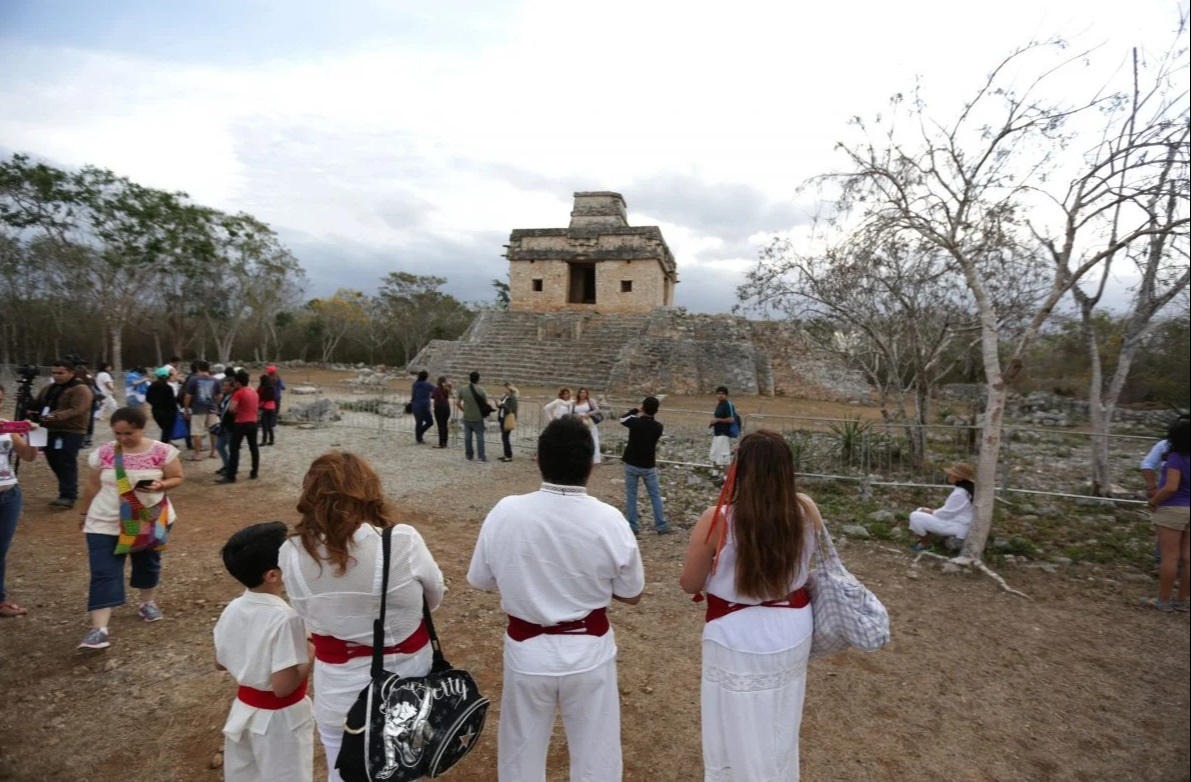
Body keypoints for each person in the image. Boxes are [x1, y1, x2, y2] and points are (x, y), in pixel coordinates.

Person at [467, 416, 644, 781]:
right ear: (591, 465)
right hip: (589, 651)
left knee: (520, 752)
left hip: (527, 651)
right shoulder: (610, 519)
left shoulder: (506, 512)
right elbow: (632, 593)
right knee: (597, 752)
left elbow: (480, 579)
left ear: (537, 460)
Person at [280, 452, 444, 782]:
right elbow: (433, 599)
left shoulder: (290, 552)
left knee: (341, 770)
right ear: (367, 490)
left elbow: (306, 615)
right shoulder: (401, 541)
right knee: (404, 769)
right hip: (405, 686)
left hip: (337, 691)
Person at [679, 429, 818, 782]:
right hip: (792, 629)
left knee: (734, 726)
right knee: (781, 719)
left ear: (740, 470)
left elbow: (690, 583)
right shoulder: (805, 509)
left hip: (736, 636)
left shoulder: (718, 518)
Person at [77, 406, 184, 650]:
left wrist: (161, 484)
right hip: (104, 520)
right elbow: (93, 486)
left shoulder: (162, 451)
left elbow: (177, 477)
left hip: (150, 518)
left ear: (141, 428)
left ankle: (147, 602)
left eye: (129, 433)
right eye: (118, 434)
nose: (123, 439)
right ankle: (99, 629)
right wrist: (84, 512)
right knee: (103, 571)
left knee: (148, 561)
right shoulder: (104, 453)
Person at [215, 521, 315, 782]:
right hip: (281, 721)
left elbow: (219, 662)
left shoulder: (234, 607)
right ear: (272, 575)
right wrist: (313, 647)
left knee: (245, 775)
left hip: (243, 711)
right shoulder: (287, 619)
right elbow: (283, 687)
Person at [33, 358, 95, 508]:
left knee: (66, 460)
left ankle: (68, 495)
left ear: (71, 372)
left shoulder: (81, 388)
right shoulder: (50, 388)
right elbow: (38, 403)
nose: (56, 376)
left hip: (72, 429)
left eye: (60, 373)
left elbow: (78, 409)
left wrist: (56, 416)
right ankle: (67, 487)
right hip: (50, 428)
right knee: (53, 459)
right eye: (54, 373)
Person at [1144, 419, 1190, 611]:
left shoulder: (1176, 457)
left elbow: (1171, 487)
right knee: (1188, 557)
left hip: (1173, 508)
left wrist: (1154, 501)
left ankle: (1163, 600)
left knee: (1169, 556)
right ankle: (1181, 601)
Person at [1, 385, 39, 618]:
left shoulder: (6, 426)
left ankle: (0, 600)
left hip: (9, 494)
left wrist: (32, 434)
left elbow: (28, 456)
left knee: (1, 549)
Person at [620, 396, 671, 536]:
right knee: (655, 496)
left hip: (632, 462)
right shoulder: (658, 427)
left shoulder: (635, 422)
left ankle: (633, 526)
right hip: (648, 465)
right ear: (656, 410)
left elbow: (622, 418)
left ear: (643, 408)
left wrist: (636, 409)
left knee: (631, 495)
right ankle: (661, 525)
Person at [907, 462, 976, 551]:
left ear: (958, 477)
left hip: (957, 526)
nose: (949, 475)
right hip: (959, 522)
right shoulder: (968, 489)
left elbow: (945, 514)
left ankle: (925, 544)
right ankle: (926, 539)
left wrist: (930, 511)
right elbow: (950, 511)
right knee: (920, 511)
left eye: (952, 474)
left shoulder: (960, 494)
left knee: (915, 515)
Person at [219, 371, 260, 484]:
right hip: (253, 422)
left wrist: (238, 412)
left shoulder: (239, 393)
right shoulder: (254, 392)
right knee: (253, 447)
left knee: (234, 449)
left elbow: (232, 409)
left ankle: (231, 475)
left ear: (238, 383)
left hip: (241, 422)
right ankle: (254, 471)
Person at [455, 370, 490, 463]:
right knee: (479, 437)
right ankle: (481, 457)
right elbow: (486, 404)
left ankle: (469, 455)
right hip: (478, 417)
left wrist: (464, 410)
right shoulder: (481, 390)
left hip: (467, 416)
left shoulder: (463, 389)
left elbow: (457, 403)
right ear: (478, 380)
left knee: (467, 437)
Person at [146, 367, 180, 443]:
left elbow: (148, 398)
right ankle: (163, 447)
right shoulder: (168, 388)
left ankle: (166, 444)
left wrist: (155, 404)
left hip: (156, 411)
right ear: (167, 377)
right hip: (168, 412)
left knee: (164, 430)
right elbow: (172, 402)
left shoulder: (151, 387)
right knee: (167, 431)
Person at [573, 387, 603, 465]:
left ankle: (594, 458)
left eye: (584, 393)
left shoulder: (590, 401)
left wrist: (588, 414)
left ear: (586, 394)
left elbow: (597, 410)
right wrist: (577, 416)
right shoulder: (575, 402)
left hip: (588, 422)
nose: (582, 394)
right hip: (578, 422)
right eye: (581, 392)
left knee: (592, 438)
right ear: (578, 394)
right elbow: (572, 412)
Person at [708, 386, 736, 469]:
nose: (720, 395)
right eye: (718, 393)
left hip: (723, 433)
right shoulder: (719, 405)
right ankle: (715, 474)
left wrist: (718, 420)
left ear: (726, 395)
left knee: (724, 457)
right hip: (717, 433)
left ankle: (726, 478)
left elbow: (731, 419)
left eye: (722, 394)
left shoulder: (728, 405)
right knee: (714, 454)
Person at [214, 376, 236, 476]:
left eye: (226, 386)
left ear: (232, 387)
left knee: (231, 448)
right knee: (219, 445)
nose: (223, 387)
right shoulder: (225, 396)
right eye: (223, 385)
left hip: (230, 425)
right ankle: (227, 465)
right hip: (224, 424)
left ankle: (230, 467)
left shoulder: (235, 397)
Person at [410, 370, 435, 445]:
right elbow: (435, 390)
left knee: (419, 422)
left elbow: (413, 395)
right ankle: (420, 434)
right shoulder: (427, 385)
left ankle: (419, 438)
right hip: (424, 406)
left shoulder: (415, 384)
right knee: (430, 422)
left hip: (415, 405)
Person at [497, 382, 519, 462]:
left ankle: (509, 456)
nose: (503, 390)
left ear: (509, 389)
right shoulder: (506, 397)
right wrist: (499, 405)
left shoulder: (513, 398)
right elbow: (503, 407)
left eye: (505, 388)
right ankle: (506, 454)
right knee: (504, 437)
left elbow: (511, 410)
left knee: (505, 438)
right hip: (503, 418)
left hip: (508, 420)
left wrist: (502, 405)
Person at [430, 376, 452, 448]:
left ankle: (441, 443)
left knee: (440, 425)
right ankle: (445, 441)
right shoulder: (447, 389)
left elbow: (432, 396)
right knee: (445, 425)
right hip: (446, 407)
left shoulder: (436, 389)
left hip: (439, 407)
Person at [257, 373, 277, 447]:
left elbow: (259, 397)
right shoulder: (272, 387)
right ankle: (271, 440)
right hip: (272, 407)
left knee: (264, 425)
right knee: (270, 425)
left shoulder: (262, 388)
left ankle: (264, 440)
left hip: (264, 407)